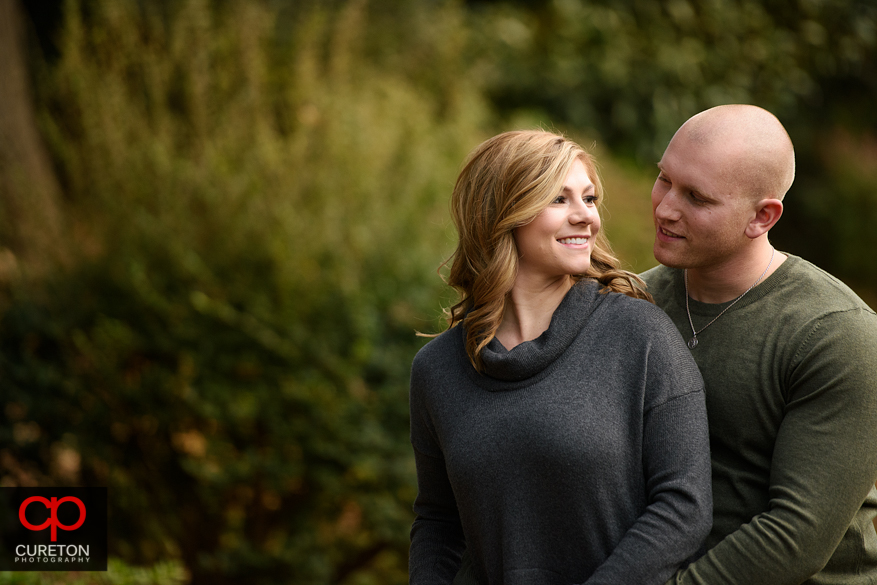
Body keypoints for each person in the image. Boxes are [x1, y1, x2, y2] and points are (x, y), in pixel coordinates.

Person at [408, 130, 712, 585]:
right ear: (501, 214)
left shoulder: (639, 336)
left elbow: (684, 507)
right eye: (558, 199)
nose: (585, 217)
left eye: (588, 199)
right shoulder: (437, 369)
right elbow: (438, 523)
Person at [640, 104, 877, 584]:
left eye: (697, 198)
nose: (665, 207)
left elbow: (796, 535)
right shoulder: (631, 303)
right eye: (664, 179)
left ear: (762, 217)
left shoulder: (836, 333)